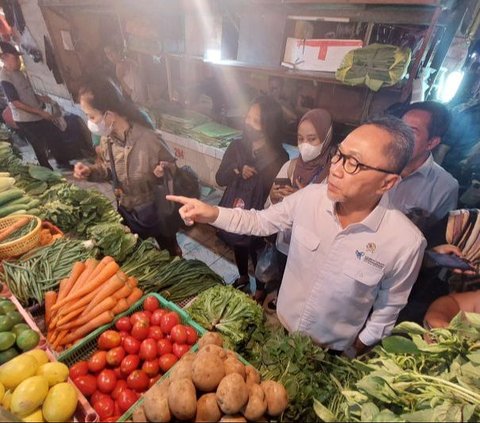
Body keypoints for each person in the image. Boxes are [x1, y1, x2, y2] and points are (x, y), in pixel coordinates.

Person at [168, 116, 427, 355]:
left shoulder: (405, 243)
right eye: (339, 155)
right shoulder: (311, 197)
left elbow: (387, 309)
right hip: (281, 328)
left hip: (332, 352)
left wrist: (355, 350)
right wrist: (211, 212)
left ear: (387, 183)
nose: (335, 169)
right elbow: (259, 221)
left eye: (354, 163)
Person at [73, 78, 182, 256]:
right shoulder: (107, 138)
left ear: (109, 115)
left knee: (170, 251)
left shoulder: (149, 139)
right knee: (138, 253)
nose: (90, 122)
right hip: (128, 209)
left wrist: (164, 170)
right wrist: (90, 171)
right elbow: (108, 170)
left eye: (91, 116)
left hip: (156, 211)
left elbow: (175, 171)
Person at [259, 108, 335, 309]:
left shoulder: (334, 175)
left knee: (305, 283)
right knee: (285, 272)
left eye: (312, 139)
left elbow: (333, 220)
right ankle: (281, 299)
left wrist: (302, 201)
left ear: (326, 138)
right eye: (301, 138)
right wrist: (275, 198)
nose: (305, 145)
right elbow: (268, 208)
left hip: (312, 248)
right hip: (285, 241)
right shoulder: (290, 167)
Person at [215, 95, 288, 293]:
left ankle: (260, 288)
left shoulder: (280, 157)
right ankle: (243, 277)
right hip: (237, 210)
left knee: (258, 251)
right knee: (238, 244)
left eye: (256, 121)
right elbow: (220, 178)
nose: (249, 123)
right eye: (248, 117)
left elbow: (277, 197)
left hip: (260, 219)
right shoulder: (236, 147)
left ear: (269, 125)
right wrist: (236, 169)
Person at [388, 101, 459, 232]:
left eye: (412, 132)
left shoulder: (445, 187)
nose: (400, 137)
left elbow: (436, 236)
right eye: (400, 127)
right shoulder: (377, 162)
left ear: (431, 143)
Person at [0, 41, 69, 169]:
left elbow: (29, 93)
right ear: (4, 58)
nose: (19, 60)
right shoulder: (5, 77)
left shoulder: (19, 72)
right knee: (38, 146)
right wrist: (40, 112)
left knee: (53, 135)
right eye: (15, 58)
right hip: (25, 119)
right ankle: (48, 173)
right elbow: (15, 102)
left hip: (37, 115)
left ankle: (63, 162)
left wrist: (44, 98)